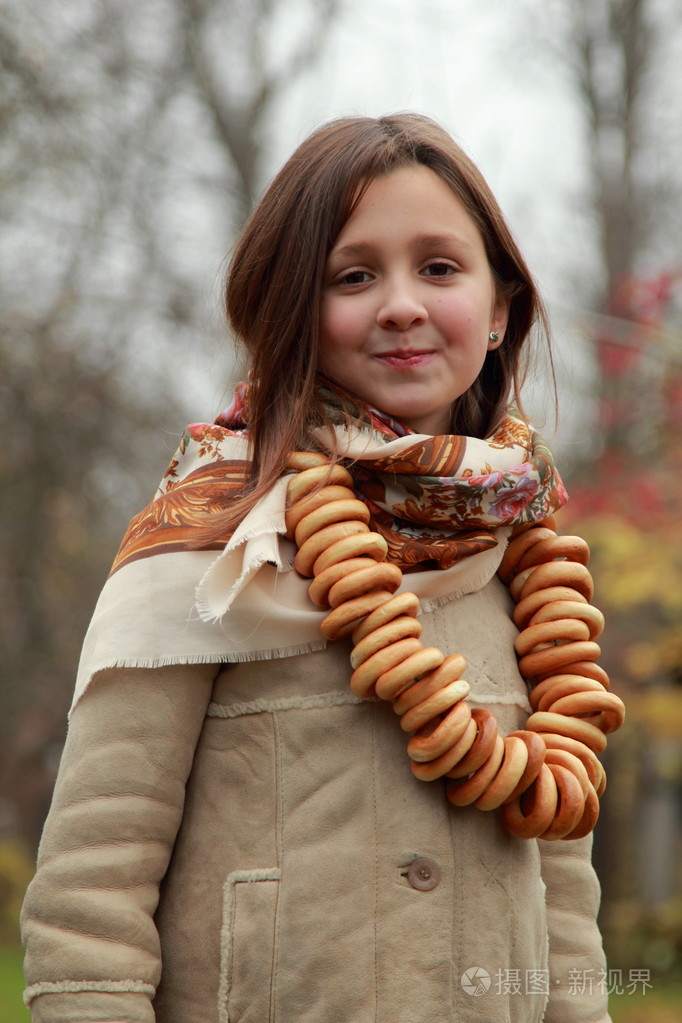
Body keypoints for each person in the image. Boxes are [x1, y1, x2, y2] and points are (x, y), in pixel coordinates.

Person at [21, 114, 614, 1023]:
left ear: (500, 310)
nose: (402, 304)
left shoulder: (527, 564)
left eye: (440, 267)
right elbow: (91, 893)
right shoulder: (212, 537)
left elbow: (561, 909)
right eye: (354, 276)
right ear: (291, 310)